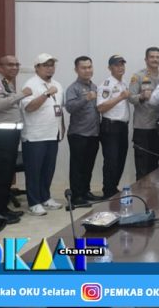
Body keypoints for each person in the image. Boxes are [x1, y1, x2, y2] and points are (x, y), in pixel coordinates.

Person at [0, 55, 32, 224]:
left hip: (8, 136)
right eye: (10, 65)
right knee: (0, 175)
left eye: (17, 64)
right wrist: (22, 95)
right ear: (0, 67)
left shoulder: (6, 84)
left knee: (6, 174)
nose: (14, 67)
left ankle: (3, 208)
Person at [20, 53, 65, 216]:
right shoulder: (30, 85)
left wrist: (62, 128)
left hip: (52, 134)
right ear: (37, 67)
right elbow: (29, 107)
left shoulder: (57, 85)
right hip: (35, 136)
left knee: (48, 169)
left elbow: (59, 109)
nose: (50, 68)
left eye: (52, 65)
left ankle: (45, 197)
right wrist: (46, 94)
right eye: (46, 65)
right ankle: (34, 202)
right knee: (34, 171)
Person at [64, 56, 103, 208]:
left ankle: (86, 191)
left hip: (93, 133)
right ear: (76, 70)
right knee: (77, 167)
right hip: (78, 134)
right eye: (84, 68)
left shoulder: (94, 86)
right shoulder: (73, 88)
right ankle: (76, 196)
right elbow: (69, 107)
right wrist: (86, 99)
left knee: (88, 166)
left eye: (89, 67)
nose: (87, 70)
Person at [97, 55, 131, 198]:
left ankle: (113, 188)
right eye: (117, 65)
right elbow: (101, 107)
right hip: (110, 126)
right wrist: (120, 97)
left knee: (120, 160)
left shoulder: (124, 83)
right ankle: (108, 191)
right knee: (111, 160)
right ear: (110, 68)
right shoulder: (106, 84)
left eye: (122, 64)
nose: (120, 67)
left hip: (122, 127)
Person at [129, 47, 159, 180]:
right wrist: (142, 96)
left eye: (157, 57)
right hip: (143, 126)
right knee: (142, 166)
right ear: (146, 59)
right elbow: (130, 98)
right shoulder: (138, 76)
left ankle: (153, 192)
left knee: (155, 165)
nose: (155, 59)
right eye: (152, 57)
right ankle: (140, 192)